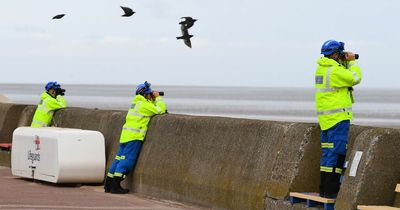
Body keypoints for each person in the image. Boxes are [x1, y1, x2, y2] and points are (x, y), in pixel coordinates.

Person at [315, 40, 362, 198]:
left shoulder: (322, 69)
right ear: (335, 54)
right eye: (340, 53)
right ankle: (331, 191)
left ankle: (324, 189)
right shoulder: (334, 71)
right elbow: (355, 78)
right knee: (337, 153)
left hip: (326, 119)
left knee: (328, 153)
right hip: (338, 118)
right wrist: (352, 62)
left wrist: (343, 62)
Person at [104, 81, 167, 194]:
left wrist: (151, 98)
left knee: (118, 160)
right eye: (149, 94)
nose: (150, 95)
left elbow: (150, 108)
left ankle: (108, 185)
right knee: (127, 161)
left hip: (125, 136)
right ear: (145, 94)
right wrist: (158, 98)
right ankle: (116, 186)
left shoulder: (136, 103)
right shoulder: (144, 105)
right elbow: (160, 110)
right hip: (134, 137)